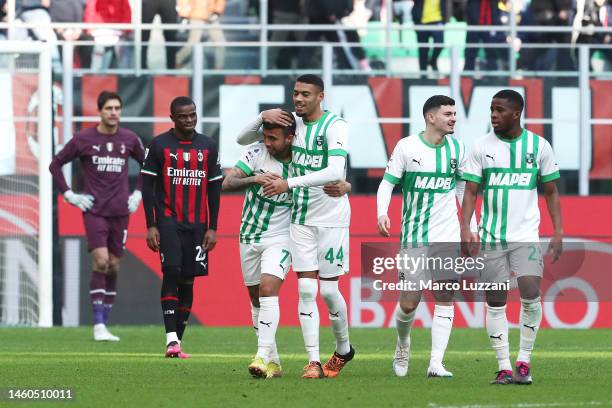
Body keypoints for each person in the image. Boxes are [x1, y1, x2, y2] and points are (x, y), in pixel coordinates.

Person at [237, 75, 354, 379]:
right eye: (295, 93)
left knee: (328, 292)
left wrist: (290, 183)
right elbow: (243, 139)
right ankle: (313, 360)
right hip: (301, 218)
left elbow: (335, 169)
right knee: (305, 288)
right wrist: (261, 117)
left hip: (332, 218)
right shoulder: (293, 126)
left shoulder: (335, 126)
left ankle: (343, 348)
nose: (298, 99)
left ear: (320, 96)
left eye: (305, 94)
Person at [460, 89, 563, 385]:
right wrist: (466, 227)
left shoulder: (539, 146)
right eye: (491, 109)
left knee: (530, 292)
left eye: (499, 110)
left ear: (516, 113)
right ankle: (504, 366)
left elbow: (551, 192)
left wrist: (558, 231)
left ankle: (524, 361)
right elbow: (470, 192)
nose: (493, 114)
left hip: (526, 235)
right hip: (491, 237)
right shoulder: (480, 146)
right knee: (495, 300)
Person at [376, 95, 478, 378]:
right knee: (409, 303)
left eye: (455, 113)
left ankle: (436, 363)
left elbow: (462, 189)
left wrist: (472, 227)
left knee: (445, 295)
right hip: (414, 236)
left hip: (446, 236)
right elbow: (387, 184)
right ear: (430, 117)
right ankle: (403, 343)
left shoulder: (457, 148)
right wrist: (381, 213)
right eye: (448, 113)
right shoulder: (407, 147)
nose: (453, 118)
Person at [49, 91, 145, 341]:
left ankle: (105, 323)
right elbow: (55, 164)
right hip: (95, 211)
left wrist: (138, 193)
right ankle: (98, 325)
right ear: (99, 111)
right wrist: (70, 194)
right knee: (101, 261)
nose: (114, 112)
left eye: (117, 108)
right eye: (109, 108)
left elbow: (149, 165)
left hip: (121, 212)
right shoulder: (83, 139)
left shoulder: (130, 139)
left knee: (113, 265)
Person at [141, 96, 222, 358]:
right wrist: (151, 225)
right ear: (172, 118)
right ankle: (171, 338)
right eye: (183, 116)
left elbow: (214, 189)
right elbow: (147, 187)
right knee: (172, 271)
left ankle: (177, 343)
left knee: (188, 279)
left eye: (193, 115)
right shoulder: (159, 145)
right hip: (168, 220)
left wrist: (212, 227)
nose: (189, 120)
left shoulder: (208, 146)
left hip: (198, 225)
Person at [175, 0, 226, 69]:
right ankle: (176, 61)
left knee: (220, 42)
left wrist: (217, 12)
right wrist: (184, 15)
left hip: (211, 15)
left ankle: (219, 68)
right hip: (196, 15)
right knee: (193, 42)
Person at [412, 0, 448, 76]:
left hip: (437, 21)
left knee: (440, 43)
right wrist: (416, 22)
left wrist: (444, 21)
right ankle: (423, 74)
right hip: (421, 21)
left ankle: (433, 61)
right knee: (423, 49)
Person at [141, 0, 178, 69]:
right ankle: (142, 69)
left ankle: (171, 69)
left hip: (168, 2)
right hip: (149, 2)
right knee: (143, 35)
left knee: (171, 34)